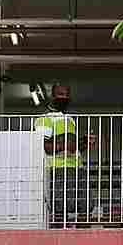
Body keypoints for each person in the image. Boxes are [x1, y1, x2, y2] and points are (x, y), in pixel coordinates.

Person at [34, 84, 96, 227]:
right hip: (57, 169)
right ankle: (60, 236)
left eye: (67, 95)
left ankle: (83, 237)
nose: (65, 98)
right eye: (61, 94)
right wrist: (64, 146)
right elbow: (43, 146)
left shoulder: (70, 119)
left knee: (87, 205)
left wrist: (84, 142)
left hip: (77, 169)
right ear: (52, 96)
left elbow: (74, 148)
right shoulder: (44, 119)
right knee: (60, 208)